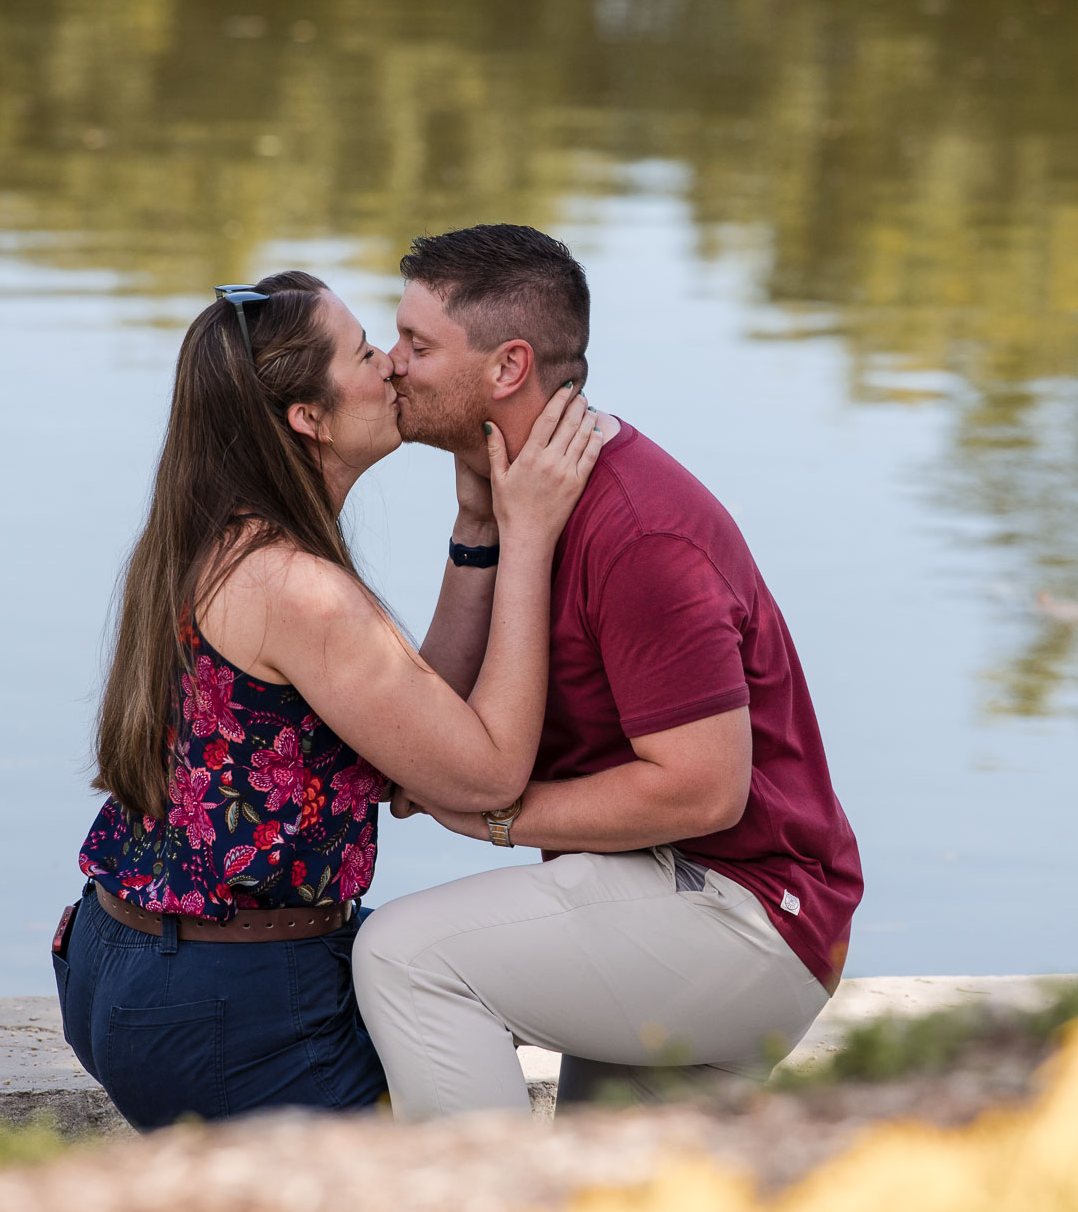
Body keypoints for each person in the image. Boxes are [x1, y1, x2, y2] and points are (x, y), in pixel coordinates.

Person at [54, 269, 604, 1129]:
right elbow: (490, 772)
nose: (392, 364)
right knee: (450, 1148)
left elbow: (414, 736)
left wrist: (479, 530)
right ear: (308, 417)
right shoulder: (295, 588)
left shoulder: (215, 538)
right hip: (230, 1001)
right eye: (365, 351)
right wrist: (531, 537)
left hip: (132, 953)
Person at [352, 225, 865, 1120]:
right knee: (612, 1174)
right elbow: (431, 736)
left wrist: (498, 816)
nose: (393, 363)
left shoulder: (638, 532)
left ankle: (480, 1189)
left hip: (747, 915)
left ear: (508, 366)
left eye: (417, 344)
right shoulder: (524, 500)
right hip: (655, 894)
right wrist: (480, 527)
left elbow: (705, 789)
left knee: (406, 957)